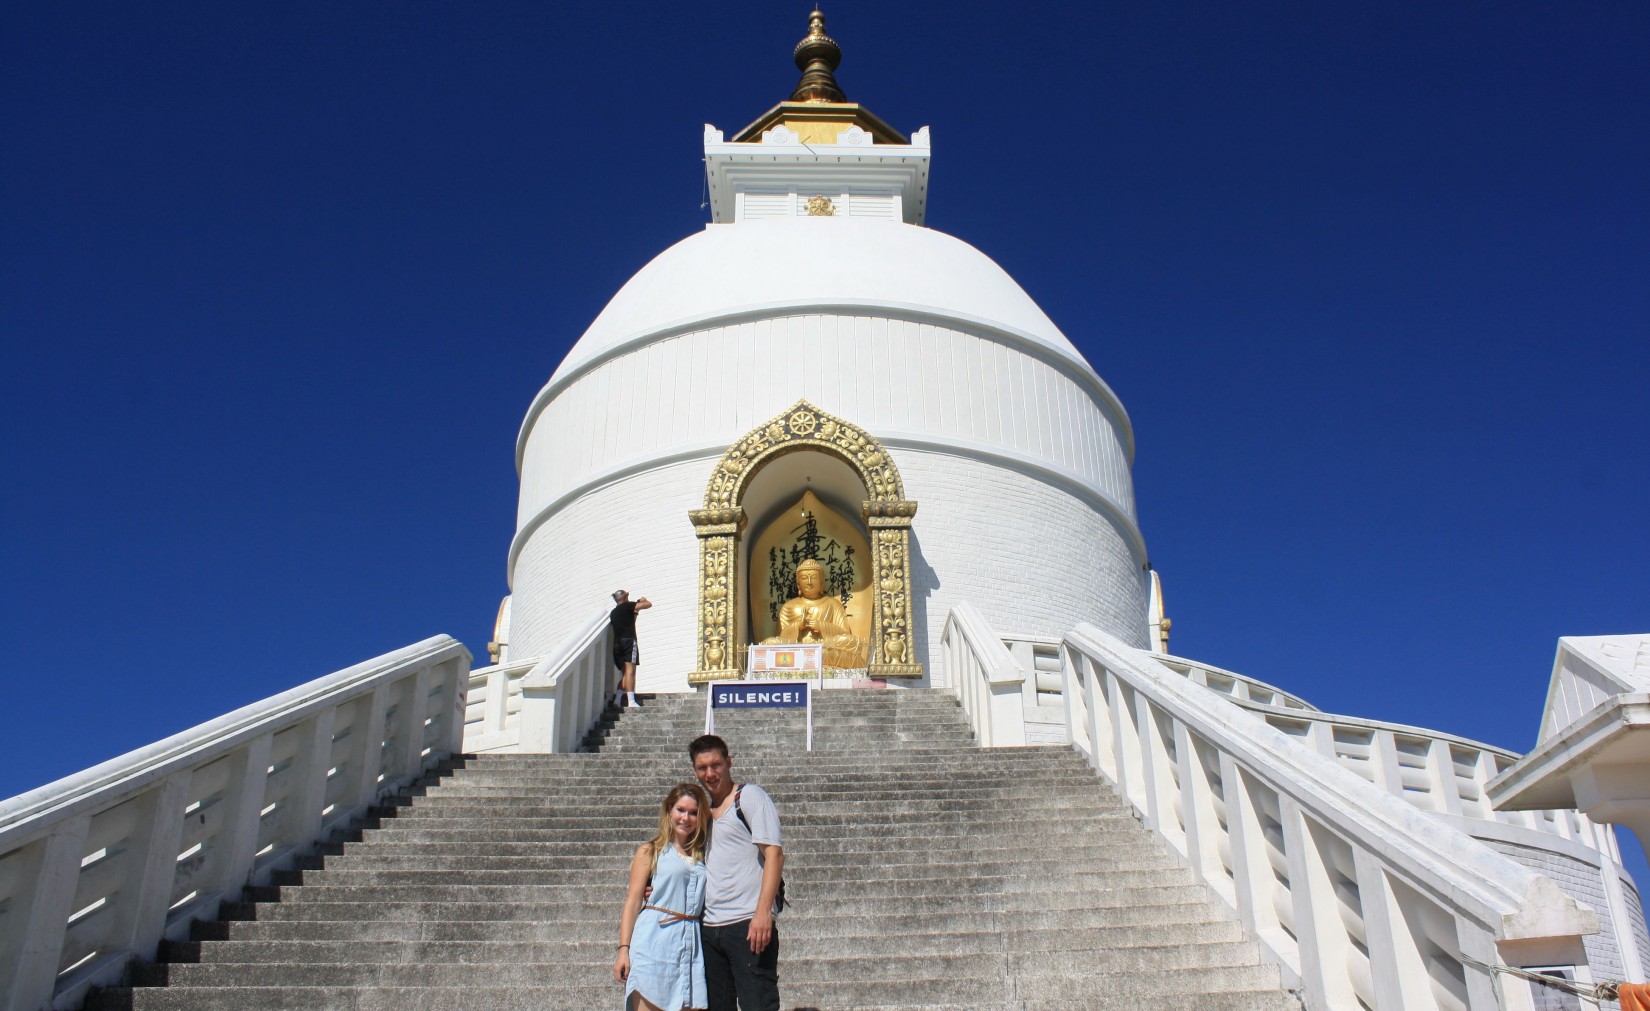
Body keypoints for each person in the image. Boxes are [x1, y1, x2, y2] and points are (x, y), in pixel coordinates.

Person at [689, 734, 783, 1011]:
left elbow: (774, 854)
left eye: (716, 765)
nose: (710, 773)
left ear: (729, 762)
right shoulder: (703, 812)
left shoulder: (749, 797)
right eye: (702, 768)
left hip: (747, 923)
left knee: (758, 1004)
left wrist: (763, 913)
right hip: (710, 927)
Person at [615, 782, 712, 1011]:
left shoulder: (705, 856)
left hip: (692, 946)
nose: (685, 818)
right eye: (680, 810)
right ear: (669, 810)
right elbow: (633, 901)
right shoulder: (651, 851)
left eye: (693, 813)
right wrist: (623, 949)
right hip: (654, 942)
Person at [762, 558, 865, 667]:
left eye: (814, 577)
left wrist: (821, 626)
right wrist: (798, 627)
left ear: (821, 581)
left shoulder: (833, 604)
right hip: (796, 648)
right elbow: (781, 637)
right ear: (798, 583)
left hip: (825, 647)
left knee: (852, 641)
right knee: (769, 643)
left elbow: (845, 634)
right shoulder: (789, 606)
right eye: (804, 578)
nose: (809, 582)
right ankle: (812, 657)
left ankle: (808, 658)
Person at [610, 590, 652, 708]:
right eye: (627, 596)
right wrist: (643, 600)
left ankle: (618, 700)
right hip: (629, 641)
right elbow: (648, 604)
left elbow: (630, 622)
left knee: (625, 673)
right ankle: (631, 701)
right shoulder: (627, 606)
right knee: (631, 671)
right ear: (624, 598)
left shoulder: (613, 613)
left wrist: (635, 612)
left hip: (617, 644)